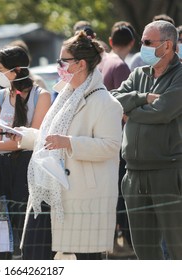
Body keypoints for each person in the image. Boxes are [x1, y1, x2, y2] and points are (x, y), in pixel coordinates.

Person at [17, 31, 123, 260]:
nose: (59, 66)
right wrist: (25, 137)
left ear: (80, 64)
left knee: (89, 259)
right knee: (33, 255)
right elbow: (52, 137)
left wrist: (70, 143)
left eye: (63, 61)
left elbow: (111, 146)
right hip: (48, 189)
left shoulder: (106, 102)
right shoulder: (64, 97)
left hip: (82, 195)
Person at [111, 20, 182, 260]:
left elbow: (162, 113)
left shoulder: (180, 76)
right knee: (144, 251)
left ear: (167, 46)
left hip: (168, 173)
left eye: (147, 42)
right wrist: (143, 97)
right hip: (133, 173)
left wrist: (131, 110)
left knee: (177, 246)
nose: (142, 47)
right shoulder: (138, 74)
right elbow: (113, 100)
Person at [0, 45, 51, 259]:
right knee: (0, 233)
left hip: (27, 168)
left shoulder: (42, 96)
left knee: (27, 232)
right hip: (2, 170)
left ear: (17, 69)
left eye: (1, 69)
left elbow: (33, 140)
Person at [99, 20, 136, 258]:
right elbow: (125, 106)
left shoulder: (104, 61)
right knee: (119, 194)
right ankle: (117, 243)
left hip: (102, 136)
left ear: (111, 41)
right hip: (116, 139)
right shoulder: (121, 66)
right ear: (132, 43)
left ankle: (110, 240)